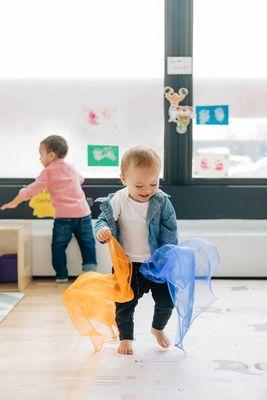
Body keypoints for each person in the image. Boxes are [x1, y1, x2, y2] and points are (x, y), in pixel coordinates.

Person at [95, 146, 178, 355]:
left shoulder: (161, 201)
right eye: (139, 184)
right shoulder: (118, 201)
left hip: (156, 262)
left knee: (167, 300)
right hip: (128, 264)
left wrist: (167, 255)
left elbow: (170, 229)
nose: (147, 190)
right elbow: (103, 220)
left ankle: (157, 328)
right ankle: (126, 338)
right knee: (124, 302)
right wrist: (102, 230)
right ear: (123, 179)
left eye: (154, 183)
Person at [0, 135, 97, 282]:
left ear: (51, 155)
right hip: (83, 213)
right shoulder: (70, 167)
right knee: (88, 243)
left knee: (58, 246)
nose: (40, 158)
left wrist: (14, 202)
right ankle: (90, 274)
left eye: (41, 154)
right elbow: (80, 179)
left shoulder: (48, 171)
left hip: (63, 217)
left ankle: (61, 275)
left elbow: (30, 190)